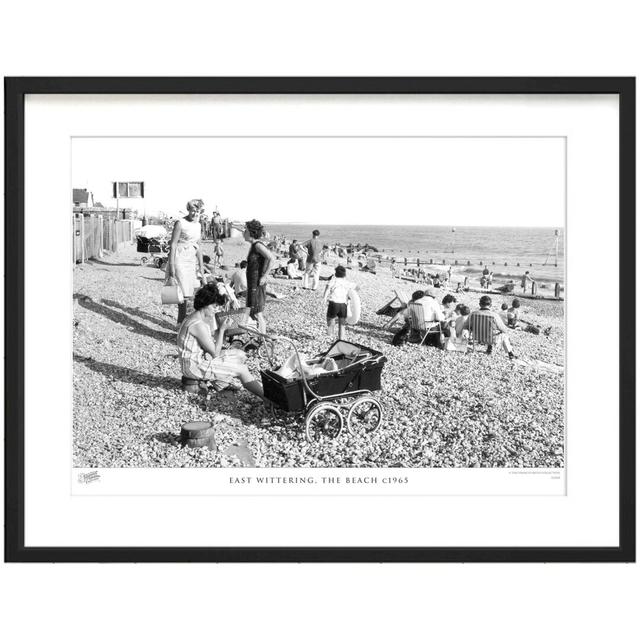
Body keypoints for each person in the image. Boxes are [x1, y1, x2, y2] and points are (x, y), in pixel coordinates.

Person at [177, 284, 266, 399]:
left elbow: (210, 347)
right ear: (205, 305)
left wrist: (220, 330)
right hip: (193, 367)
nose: (216, 310)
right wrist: (222, 330)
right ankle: (266, 397)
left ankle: (221, 383)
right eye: (214, 307)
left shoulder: (193, 318)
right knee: (242, 369)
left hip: (193, 361)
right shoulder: (198, 325)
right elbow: (215, 353)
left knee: (240, 354)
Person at [166, 199, 208, 326]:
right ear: (188, 210)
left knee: (189, 291)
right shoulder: (180, 223)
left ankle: (186, 321)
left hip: (190, 259)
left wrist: (201, 266)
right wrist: (172, 266)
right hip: (179, 257)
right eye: (193, 210)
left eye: (198, 211)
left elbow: (199, 246)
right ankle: (180, 322)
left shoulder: (198, 225)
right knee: (182, 292)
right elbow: (173, 244)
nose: (195, 213)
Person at [244, 219, 274, 334]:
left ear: (251, 232)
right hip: (253, 282)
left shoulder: (257, 245)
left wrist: (265, 276)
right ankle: (259, 336)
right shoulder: (254, 245)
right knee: (253, 310)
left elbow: (271, 258)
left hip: (257, 282)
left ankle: (262, 338)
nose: (243, 233)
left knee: (257, 312)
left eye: (245, 230)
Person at [323, 265, 357, 340]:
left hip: (334, 303)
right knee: (342, 324)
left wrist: (324, 298)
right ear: (344, 274)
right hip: (343, 305)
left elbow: (328, 287)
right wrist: (350, 296)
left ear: (335, 273)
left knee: (330, 320)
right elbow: (357, 287)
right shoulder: (347, 282)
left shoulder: (333, 280)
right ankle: (341, 339)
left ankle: (329, 336)